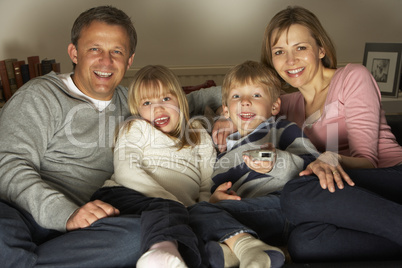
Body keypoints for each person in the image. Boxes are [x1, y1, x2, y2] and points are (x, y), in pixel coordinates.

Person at [0, 6, 221, 267]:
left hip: (87, 227)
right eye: (95, 49)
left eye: (117, 51)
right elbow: (9, 165)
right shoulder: (40, 95)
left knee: (143, 235)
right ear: (74, 53)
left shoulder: (132, 102)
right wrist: (65, 213)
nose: (106, 62)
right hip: (21, 212)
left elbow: (190, 100)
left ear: (129, 60)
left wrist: (229, 110)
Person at [259, 6, 402, 262]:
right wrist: (221, 118)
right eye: (279, 52)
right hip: (345, 193)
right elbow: (233, 92)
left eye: (300, 48)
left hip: (390, 177)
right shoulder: (284, 105)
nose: (290, 61)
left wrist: (330, 158)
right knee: (305, 243)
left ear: (321, 49)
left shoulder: (352, 77)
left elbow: (368, 160)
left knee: (295, 194)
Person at [189, 60, 318, 268]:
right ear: (226, 109)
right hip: (246, 214)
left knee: (195, 213)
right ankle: (238, 253)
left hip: (281, 206)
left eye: (256, 95)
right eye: (236, 96)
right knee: (189, 218)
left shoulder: (281, 129)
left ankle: (242, 248)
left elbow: (313, 166)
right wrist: (215, 200)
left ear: (275, 105)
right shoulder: (219, 150)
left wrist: (275, 163)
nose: (245, 102)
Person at [91, 65, 216, 268]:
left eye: (166, 99)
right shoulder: (136, 128)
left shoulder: (197, 132)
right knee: (167, 213)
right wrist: (172, 202)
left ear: (181, 100)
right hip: (125, 194)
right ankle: (159, 253)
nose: (158, 109)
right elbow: (126, 170)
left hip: (176, 211)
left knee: (200, 224)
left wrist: (200, 210)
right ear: (138, 109)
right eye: (147, 103)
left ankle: (182, 256)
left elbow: (207, 181)